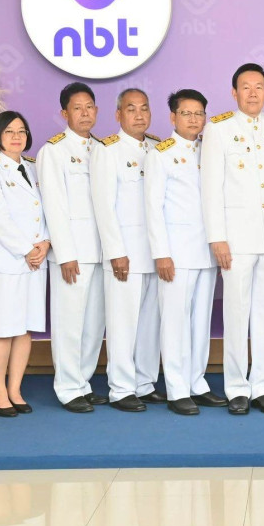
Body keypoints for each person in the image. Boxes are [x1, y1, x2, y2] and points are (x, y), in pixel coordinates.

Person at [200, 63, 264, 415]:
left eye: (259, 87)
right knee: (237, 313)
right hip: (236, 239)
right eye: (246, 87)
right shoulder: (219, 129)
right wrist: (217, 237)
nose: (253, 93)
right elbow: (210, 187)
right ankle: (237, 388)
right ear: (234, 92)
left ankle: (263, 387)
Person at [145, 89, 227, 416]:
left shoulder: (211, 149)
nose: (193, 119)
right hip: (176, 253)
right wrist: (161, 253)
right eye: (186, 113)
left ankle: (197, 382)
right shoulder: (161, 154)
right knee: (175, 321)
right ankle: (176, 388)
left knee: (200, 321)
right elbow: (152, 208)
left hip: (207, 250)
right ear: (173, 117)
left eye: (199, 113)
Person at [91, 88, 165, 411]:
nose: (139, 115)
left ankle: (144, 383)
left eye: (144, 108)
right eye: (131, 109)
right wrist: (115, 251)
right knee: (122, 323)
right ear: (118, 114)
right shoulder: (107, 150)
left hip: (155, 252)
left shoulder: (159, 148)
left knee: (150, 322)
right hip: (126, 253)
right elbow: (103, 206)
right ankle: (121, 388)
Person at [35, 82, 107, 413]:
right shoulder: (54, 151)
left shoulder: (104, 148)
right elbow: (54, 206)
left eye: (89, 107)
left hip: (102, 251)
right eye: (77, 108)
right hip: (73, 253)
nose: (85, 113)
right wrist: (65, 254)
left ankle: (83, 382)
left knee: (94, 324)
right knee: (69, 323)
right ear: (64, 113)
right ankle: (67, 387)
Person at [0, 111, 49, 418]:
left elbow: (47, 209)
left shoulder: (33, 167)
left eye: (21, 131)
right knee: (2, 329)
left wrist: (45, 242)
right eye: (9, 131)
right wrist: (26, 249)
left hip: (35, 260)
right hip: (3, 262)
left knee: (24, 328)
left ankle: (15, 389)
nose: (17, 137)